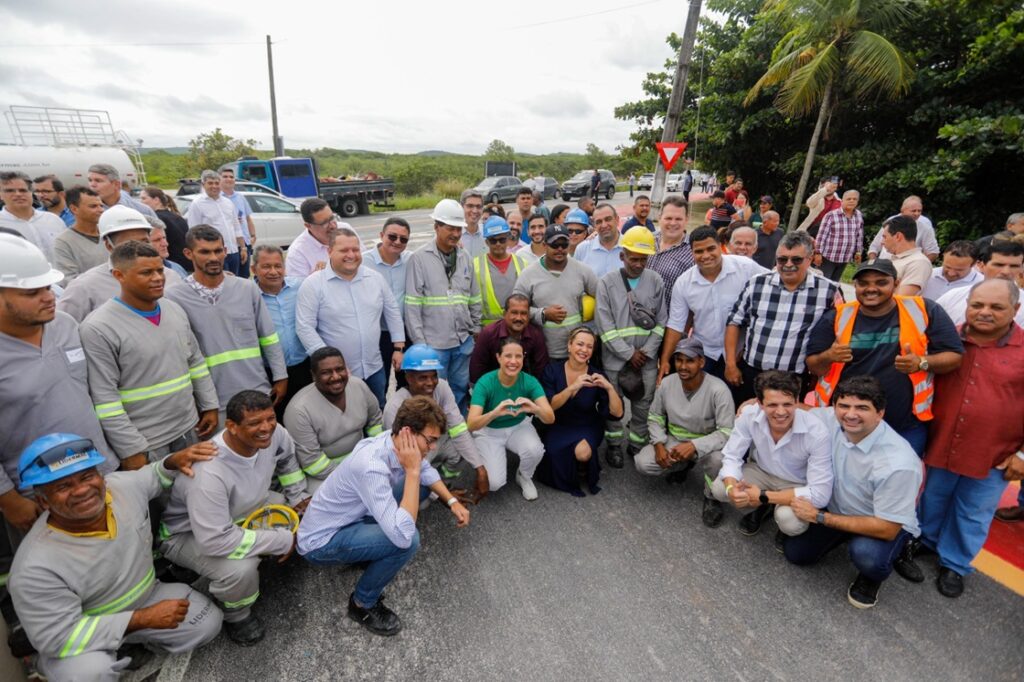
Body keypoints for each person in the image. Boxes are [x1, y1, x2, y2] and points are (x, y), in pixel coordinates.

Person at [10, 433, 222, 680]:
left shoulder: (120, 487)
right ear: (43, 501)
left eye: (87, 476)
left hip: (146, 597)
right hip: (83, 623)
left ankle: (131, 640)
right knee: (89, 673)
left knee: (207, 624)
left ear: (101, 477)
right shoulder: (34, 567)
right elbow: (59, 637)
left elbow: (153, 474)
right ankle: (45, 663)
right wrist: (142, 619)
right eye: (63, 486)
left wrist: (173, 460)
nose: (81, 490)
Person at [297, 395, 470, 636]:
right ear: (408, 432)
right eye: (430, 440)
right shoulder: (371, 466)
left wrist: (451, 501)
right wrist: (411, 472)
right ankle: (362, 603)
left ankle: (368, 550)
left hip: (353, 517)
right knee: (407, 542)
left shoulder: (392, 438)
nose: (433, 448)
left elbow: (426, 470)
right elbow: (402, 535)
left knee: (420, 482)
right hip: (322, 541)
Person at [0, 236, 118, 585]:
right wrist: (8, 499)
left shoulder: (65, 325)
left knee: (114, 553)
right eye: (32, 292)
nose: (48, 297)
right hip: (39, 491)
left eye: (48, 287)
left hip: (96, 468)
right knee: (60, 574)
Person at [894, 280, 1024, 597]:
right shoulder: (945, 338)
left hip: (994, 452)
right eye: (977, 305)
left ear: (1015, 310)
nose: (984, 312)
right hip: (942, 441)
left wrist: (1022, 456)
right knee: (933, 497)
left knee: (974, 511)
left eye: (996, 307)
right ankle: (925, 541)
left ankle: (954, 564)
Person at [160, 390, 311, 645]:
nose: (266, 428)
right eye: (254, 423)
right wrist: (283, 541)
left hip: (241, 510)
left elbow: (287, 460)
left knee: (292, 515)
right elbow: (215, 541)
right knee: (241, 570)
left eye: (270, 419)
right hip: (190, 534)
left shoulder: (274, 434)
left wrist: (298, 497)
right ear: (231, 426)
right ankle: (236, 613)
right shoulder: (209, 472)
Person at [784, 376, 923, 609]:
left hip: (880, 521)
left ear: (880, 413)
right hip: (839, 507)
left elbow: (887, 528)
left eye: (862, 408)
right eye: (844, 406)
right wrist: (753, 403)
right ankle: (841, 534)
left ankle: (874, 574)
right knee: (796, 554)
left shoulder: (899, 463)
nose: (850, 414)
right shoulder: (833, 420)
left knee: (867, 555)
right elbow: (803, 410)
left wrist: (820, 517)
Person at [80, 241, 219, 469]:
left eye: (160, 270)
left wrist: (209, 405)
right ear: (119, 275)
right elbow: (105, 399)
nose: (157, 278)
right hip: (149, 443)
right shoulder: (98, 328)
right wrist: (131, 448)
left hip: (188, 429)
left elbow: (195, 362)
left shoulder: (173, 309)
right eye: (146, 272)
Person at [806, 259, 963, 455]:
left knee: (900, 481)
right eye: (863, 283)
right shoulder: (837, 315)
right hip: (845, 425)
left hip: (904, 426)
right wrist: (829, 356)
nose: (871, 289)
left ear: (896, 284)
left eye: (881, 282)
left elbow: (955, 356)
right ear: (855, 286)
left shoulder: (924, 310)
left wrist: (922, 362)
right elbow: (814, 366)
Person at [165, 226, 288, 414]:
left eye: (218, 250)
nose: (214, 258)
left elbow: (268, 337)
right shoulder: (173, 297)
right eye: (205, 252)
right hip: (213, 403)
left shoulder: (247, 289)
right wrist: (205, 404)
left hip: (257, 391)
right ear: (188, 253)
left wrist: (280, 376)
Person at [711, 371, 833, 547]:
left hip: (796, 483)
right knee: (720, 488)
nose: (781, 412)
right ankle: (762, 507)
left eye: (787, 404)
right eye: (773, 405)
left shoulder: (817, 432)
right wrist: (731, 488)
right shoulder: (748, 415)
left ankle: (772, 512)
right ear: (759, 403)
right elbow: (732, 456)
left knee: (789, 522)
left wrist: (763, 496)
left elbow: (820, 494)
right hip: (761, 471)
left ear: (797, 401)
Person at [725, 230, 840, 404]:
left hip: (794, 378)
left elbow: (839, 333)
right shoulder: (757, 283)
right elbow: (734, 322)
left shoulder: (828, 291)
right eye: (782, 259)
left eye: (796, 259)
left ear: (810, 259)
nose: (788, 264)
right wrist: (731, 364)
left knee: (785, 427)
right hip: (753, 373)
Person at [296, 227, 404, 408]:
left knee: (377, 411)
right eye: (344, 250)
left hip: (374, 368)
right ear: (329, 252)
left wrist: (398, 347)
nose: (351, 255)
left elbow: (392, 311)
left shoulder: (375, 279)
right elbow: (304, 327)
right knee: (342, 420)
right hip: (336, 376)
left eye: (355, 249)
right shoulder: (314, 285)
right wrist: (331, 364)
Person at [637, 339, 736, 527]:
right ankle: (682, 466)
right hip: (675, 441)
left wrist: (694, 446)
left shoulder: (719, 390)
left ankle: (711, 496)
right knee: (644, 463)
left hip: (707, 446)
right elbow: (656, 416)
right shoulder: (667, 383)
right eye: (679, 360)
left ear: (701, 362)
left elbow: (726, 432)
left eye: (689, 361)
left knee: (718, 461)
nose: (683, 366)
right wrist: (658, 445)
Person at [660, 226, 767, 386]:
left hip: (741, 354)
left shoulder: (746, 268)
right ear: (692, 253)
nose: (706, 256)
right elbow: (676, 325)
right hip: (705, 353)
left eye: (711, 249)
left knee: (738, 404)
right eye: (699, 251)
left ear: (721, 247)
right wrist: (665, 360)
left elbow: (773, 280)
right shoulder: (683, 283)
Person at [595, 226, 666, 464]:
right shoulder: (607, 283)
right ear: (622, 255)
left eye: (643, 259)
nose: (638, 264)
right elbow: (604, 325)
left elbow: (661, 322)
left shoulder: (655, 280)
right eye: (634, 259)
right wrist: (628, 354)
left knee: (643, 404)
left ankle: (637, 443)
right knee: (613, 403)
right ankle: (614, 444)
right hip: (616, 360)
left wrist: (646, 353)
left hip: (645, 360)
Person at [405, 199, 481, 413]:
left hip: (462, 341)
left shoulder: (464, 257)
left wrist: (475, 329)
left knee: (459, 388)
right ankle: (434, 433)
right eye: (450, 228)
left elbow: (474, 296)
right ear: (436, 226)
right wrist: (421, 345)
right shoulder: (419, 259)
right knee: (433, 392)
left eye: (459, 229)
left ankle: (456, 429)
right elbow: (412, 306)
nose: (456, 234)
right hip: (434, 343)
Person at [383, 345, 487, 500]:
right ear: (409, 378)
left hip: (431, 445)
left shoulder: (442, 388)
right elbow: (405, 462)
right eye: (422, 378)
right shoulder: (395, 407)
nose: (431, 383)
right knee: (422, 500)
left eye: (433, 376)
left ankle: (444, 483)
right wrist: (445, 498)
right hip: (411, 457)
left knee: (463, 444)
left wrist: (480, 469)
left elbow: (458, 428)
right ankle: (436, 491)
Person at [58, 205, 184, 323]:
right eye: (130, 243)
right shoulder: (85, 287)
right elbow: (63, 329)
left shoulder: (171, 277)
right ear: (109, 246)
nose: (139, 249)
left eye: (145, 241)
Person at [283, 347, 383, 493]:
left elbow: (376, 421)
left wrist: (378, 455)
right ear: (313, 375)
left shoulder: (358, 386)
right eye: (326, 372)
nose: (336, 377)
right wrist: (353, 476)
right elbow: (313, 463)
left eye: (340, 369)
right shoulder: (298, 410)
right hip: (324, 474)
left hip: (363, 460)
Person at [537, 327, 622, 496]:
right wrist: (573, 387)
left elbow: (617, 414)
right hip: (558, 424)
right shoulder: (552, 370)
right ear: (569, 345)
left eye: (589, 347)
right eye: (580, 344)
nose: (584, 350)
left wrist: (610, 388)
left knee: (583, 453)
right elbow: (549, 407)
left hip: (587, 425)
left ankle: (582, 464)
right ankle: (568, 466)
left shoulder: (597, 374)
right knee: (553, 453)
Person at [467, 338, 555, 499]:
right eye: (508, 356)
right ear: (498, 357)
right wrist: (495, 413)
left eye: (518, 356)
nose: (513, 361)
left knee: (535, 450)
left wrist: (534, 409)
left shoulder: (529, 381)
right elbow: (471, 424)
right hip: (489, 431)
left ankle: (524, 476)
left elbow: (550, 418)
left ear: (523, 358)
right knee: (493, 484)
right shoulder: (485, 383)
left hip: (518, 426)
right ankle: (485, 456)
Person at [513, 224, 598, 361]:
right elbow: (515, 310)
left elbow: (602, 298)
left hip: (577, 354)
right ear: (545, 245)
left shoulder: (583, 270)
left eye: (564, 245)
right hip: (544, 353)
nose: (560, 249)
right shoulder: (528, 274)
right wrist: (543, 314)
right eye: (554, 245)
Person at [253, 244, 310, 417]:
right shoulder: (248, 294)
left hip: (303, 367)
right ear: (253, 269)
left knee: (305, 414)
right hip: (269, 372)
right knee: (276, 416)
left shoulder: (300, 287)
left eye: (278, 266)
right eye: (266, 266)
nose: (273, 272)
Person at [937, 240, 1024, 327]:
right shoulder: (953, 296)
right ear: (981, 266)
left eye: (1014, 266)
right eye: (999, 265)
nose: (1006, 272)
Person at [469, 293, 549, 383]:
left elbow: (541, 370)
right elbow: (477, 369)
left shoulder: (536, 335)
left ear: (528, 316)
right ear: (504, 314)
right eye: (514, 313)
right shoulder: (488, 334)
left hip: (525, 388)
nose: (519, 318)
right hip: (493, 387)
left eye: (523, 313)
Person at [186, 170, 246, 275]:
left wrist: (243, 248)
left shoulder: (227, 202)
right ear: (203, 185)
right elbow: (194, 232)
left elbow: (236, 226)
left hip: (233, 251)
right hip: (214, 254)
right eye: (210, 183)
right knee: (219, 283)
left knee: (234, 281)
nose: (214, 186)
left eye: (217, 183)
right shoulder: (197, 204)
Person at [474, 216, 528, 327]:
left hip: (517, 326)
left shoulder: (523, 264)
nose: (498, 244)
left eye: (502, 239)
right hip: (488, 330)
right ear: (486, 242)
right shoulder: (475, 265)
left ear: (508, 238)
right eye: (493, 240)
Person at [0, 171, 65, 262]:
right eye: (10, 190)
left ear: (31, 193)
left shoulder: (54, 220)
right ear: (1, 195)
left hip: (58, 275)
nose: (18, 194)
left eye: (23, 190)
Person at [52, 186, 108, 284]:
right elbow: (69, 280)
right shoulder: (63, 242)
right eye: (93, 206)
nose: (100, 210)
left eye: (101, 205)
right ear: (74, 209)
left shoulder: (110, 232)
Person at [646, 196, 695, 307]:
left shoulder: (693, 251)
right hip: (639, 315)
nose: (673, 223)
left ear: (686, 219)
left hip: (670, 321)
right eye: (668, 218)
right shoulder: (647, 239)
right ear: (660, 218)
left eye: (678, 219)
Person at [868, 196, 941, 262]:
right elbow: (874, 246)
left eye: (919, 211)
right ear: (903, 210)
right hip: (884, 266)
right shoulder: (890, 222)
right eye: (913, 211)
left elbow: (933, 252)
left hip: (908, 267)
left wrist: (920, 265)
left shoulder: (925, 226)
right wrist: (873, 264)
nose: (917, 214)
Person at [813, 190, 864, 281]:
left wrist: (858, 251)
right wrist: (817, 253)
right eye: (849, 199)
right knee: (823, 282)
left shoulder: (858, 216)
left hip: (845, 257)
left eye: (854, 199)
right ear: (842, 201)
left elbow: (859, 235)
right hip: (828, 257)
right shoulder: (831, 215)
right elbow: (821, 236)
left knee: (834, 284)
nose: (851, 201)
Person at [140, 186, 191, 272]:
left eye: (144, 198)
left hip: (172, 267)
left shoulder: (157, 220)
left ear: (156, 199)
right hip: (187, 264)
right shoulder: (178, 217)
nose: (141, 202)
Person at [878, 215, 932, 296]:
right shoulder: (893, 258)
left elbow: (902, 298)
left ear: (898, 236)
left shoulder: (919, 262)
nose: (882, 242)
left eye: (885, 237)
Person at [220, 168, 257, 279]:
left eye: (231, 177)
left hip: (244, 243)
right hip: (229, 245)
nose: (229, 179)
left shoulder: (240, 197)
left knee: (244, 276)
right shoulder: (218, 199)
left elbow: (248, 218)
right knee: (231, 277)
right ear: (219, 179)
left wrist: (253, 235)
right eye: (225, 176)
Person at [286, 198, 337, 278]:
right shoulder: (297, 253)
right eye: (324, 223)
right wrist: (315, 278)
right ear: (308, 226)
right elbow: (299, 288)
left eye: (332, 218)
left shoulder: (345, 229)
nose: (333, 226)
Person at [574, 203, 624, 278]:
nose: (604, 225)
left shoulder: (631, 247)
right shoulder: (582, 249)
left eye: (608, 219)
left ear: (617, 220)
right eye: (599, 222)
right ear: (594, 225)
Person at [87, 164, 156, 218]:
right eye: (90, 180)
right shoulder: (83, 211)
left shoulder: (142, 210)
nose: (92, 185)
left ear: (116, 185)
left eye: (98, 181)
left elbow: (157, 234)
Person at [459, 190, 486, 257]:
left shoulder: (488, 234)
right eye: (470, 206)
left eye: (478, 206)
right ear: (461, 207)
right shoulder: (453, 236)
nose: (474, 211)